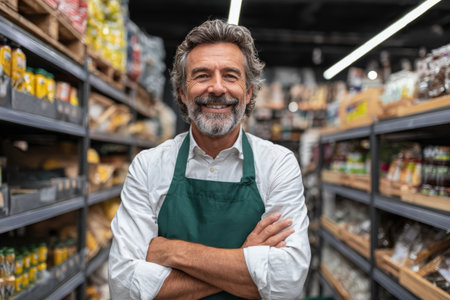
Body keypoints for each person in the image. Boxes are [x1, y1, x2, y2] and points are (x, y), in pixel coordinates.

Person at [109, 19, 310, 300]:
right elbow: (124, 288)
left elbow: (287, 283)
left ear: (249, 91)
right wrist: (245, 261)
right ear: (182, 91)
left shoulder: (277, 164)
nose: (217, 88)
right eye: (202, 75)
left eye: (230, 75)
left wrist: (173, 252)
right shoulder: (148, 166)